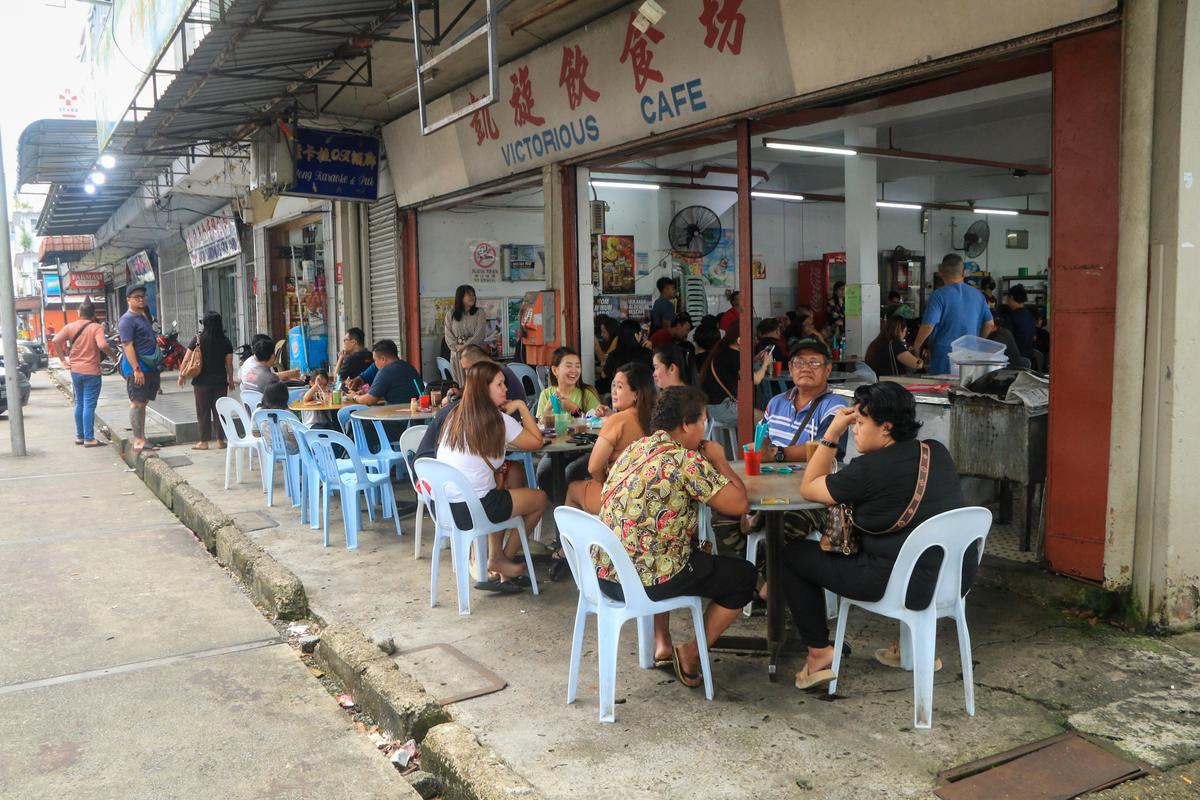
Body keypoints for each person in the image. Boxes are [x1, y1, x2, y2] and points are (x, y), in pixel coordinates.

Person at [783, 382, 972, 690]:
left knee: (792, 555)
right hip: (953, 580)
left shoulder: (866, 470)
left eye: (859, 423)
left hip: (898, 586)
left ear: (885, 428)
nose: (854, 430)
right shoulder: (936, 451)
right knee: (906, 546)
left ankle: (819, 654)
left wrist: (832, 433)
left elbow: (810, 486)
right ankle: (916, 647)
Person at [595, 385, 753, 687]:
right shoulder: (684, 461)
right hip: (648, 582)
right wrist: (719, 459)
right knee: (743, 577)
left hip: (607, 576)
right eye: (703, 421)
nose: (705, 428)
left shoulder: (636, 448)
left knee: (675, 548)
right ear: (685, 424)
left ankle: (662, 642)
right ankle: (691, 655)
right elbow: (739, 505)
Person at [435, 361, 547, 591]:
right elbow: (536, 441)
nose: (505, 389)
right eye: (499, 385)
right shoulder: (498, 419)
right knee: (540, 499)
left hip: (449, 510)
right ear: (484, 389)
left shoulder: (454, 416)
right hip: (477, 508)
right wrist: (522, 407)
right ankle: (504, 559)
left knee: (511, 472)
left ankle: (497, 558)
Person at [565, 362, 656, 515]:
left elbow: (593, 467)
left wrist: (605, 481)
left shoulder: (618, 421)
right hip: (647, 495)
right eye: (613, 385)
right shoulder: (654, 417)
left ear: (636, 394)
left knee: (573, 489)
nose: (613, 391)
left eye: (619, 387)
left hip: (618, 498)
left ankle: (570, 539)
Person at [761, 340, 849, 464]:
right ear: (791, 369)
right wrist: (758, 450)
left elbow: (827, 449)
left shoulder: (835, 406)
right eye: (799, 363)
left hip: (813, 480)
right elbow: (763, 439)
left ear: (828, 370)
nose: (806, 368)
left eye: (814, 363)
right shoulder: (775, 403)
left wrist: (775, 454)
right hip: (773, 479)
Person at [912, 254, 995, 375]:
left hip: (944, 355)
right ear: (963, 272)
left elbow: (928, 326)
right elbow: (990, 324)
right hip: (970, 356)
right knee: (966, 391)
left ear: (940, 272)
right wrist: (976, 343)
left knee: (941, 390)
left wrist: (916, 345)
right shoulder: (978, 295)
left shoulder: (938, 295)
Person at [52, 300, 116, 448]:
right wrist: (113, 357)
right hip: (92, 372)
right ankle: (89, 438)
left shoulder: (70, 327)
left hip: (75, 371)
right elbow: (103, 345)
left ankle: (80, 436)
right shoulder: (96, 327)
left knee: (79, 403)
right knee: (89, 405)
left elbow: (55, 341)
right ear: (93, 315)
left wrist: (63, 360)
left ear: (79, 313)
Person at [118, 284, 164, 454]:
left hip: (149, 368)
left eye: (143, 296)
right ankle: (138, 441)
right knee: (137, 403)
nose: (141, 299)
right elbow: (127, 345)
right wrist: (136, 369)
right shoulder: (127, 320)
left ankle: (142, 438)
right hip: (138, 370)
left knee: (143, 403)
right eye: (136, 297)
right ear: (128, 299)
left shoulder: (143, 316)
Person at [180, 311, 234, 451]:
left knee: (202, 411)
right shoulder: (225, 341)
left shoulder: (197, 340)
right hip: (220, 382)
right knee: (220, 411)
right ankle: (220, 440)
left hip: (201, 382)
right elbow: (229, 364)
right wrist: (231, 380)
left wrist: (182, 375)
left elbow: (186, 359)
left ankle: (203, 442)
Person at [699, 327, 771, 428]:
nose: (754, 342)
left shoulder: (725, 352)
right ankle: (761, 444)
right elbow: (756, 379)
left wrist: (755, 359)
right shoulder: (735, 356)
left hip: (710, 407)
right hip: (720, 408)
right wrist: (765, 364)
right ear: (739, 340)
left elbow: (738, 369)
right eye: (752, 339)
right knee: (766, 420)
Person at [348, 339, 422, 406]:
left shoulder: (386, 371)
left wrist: (354, 396)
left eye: (375, 360)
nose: (375, 364)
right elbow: (399, 395)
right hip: (414, 416)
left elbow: (369, 400)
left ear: (383, 359)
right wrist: (368, 394)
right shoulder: (409, 367)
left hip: (395, 418)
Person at [445, 344, 525, 405]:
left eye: (467, 368)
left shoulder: (495, 373)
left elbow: (475, 403)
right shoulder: (493, 369)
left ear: (477, 362)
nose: (466, 373)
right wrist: (459, 392)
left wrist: (448, 400)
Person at [865, 306, 924, 377]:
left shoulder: (877, 342)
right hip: (891, 383)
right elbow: (917, 364)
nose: (905, 335)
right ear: (900, 330)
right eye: (905, 331)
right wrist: (919, 357)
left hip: (878, 381)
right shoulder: (895, 344)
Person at [444, 284, 486, 386]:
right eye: (469, 295)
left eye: (473, 295)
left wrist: (464, 347)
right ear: (460, 297)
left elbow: (479, 335)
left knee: (474, 384)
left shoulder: (480, 313)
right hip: (456, 354)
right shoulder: (451, 314)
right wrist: (457, 348)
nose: (472, 297)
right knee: (460, 385)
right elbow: (448, 336)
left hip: (474, 353)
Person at [257, 381, 299, 455]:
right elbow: (293, 437)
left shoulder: (258, 412)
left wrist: (269, 433)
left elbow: (255, 433)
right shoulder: (288, 414)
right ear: (285, 396)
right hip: (291, 449)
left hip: (271, 448)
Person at [1002, 284, 1036, 362]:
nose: (1007, 301)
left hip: (1015, 360)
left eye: (1007, 298)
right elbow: (1034, 337)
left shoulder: (1010, 317)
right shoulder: (1030, 315)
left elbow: (1004, 339)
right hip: (1030, 358)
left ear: (1011, 297)